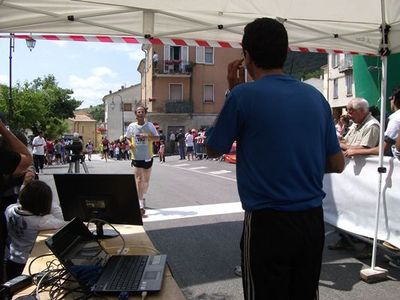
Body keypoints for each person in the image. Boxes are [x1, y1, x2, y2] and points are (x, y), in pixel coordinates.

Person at [205, 18, 345, 300]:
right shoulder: (316, 97)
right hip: (311, 221)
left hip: (267, 224)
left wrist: (233, 90)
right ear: (285, 52)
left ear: (247, 55)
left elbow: (213, 149)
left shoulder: (243, 96)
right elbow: (337, 164)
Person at [4, 180, 65, 280]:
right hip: (28, 263)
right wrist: (52, 204)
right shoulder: (41, 222)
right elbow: (62, 220)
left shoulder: (10, 210)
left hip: (11, 259)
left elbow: (18, 203)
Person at [125, 106, 159, 216]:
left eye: (142, 112)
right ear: (136, 114)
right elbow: (128, 137)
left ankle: (142, 195)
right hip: (136, 157)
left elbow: (157, 138)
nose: (140, 113)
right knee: (138, 180)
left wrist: (148, 137)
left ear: (145, 114)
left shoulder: (150, 126)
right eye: (138, 112)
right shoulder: (131, 126)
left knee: (146, 181)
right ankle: (140, 204)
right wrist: (130, 144)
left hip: (148, 156)